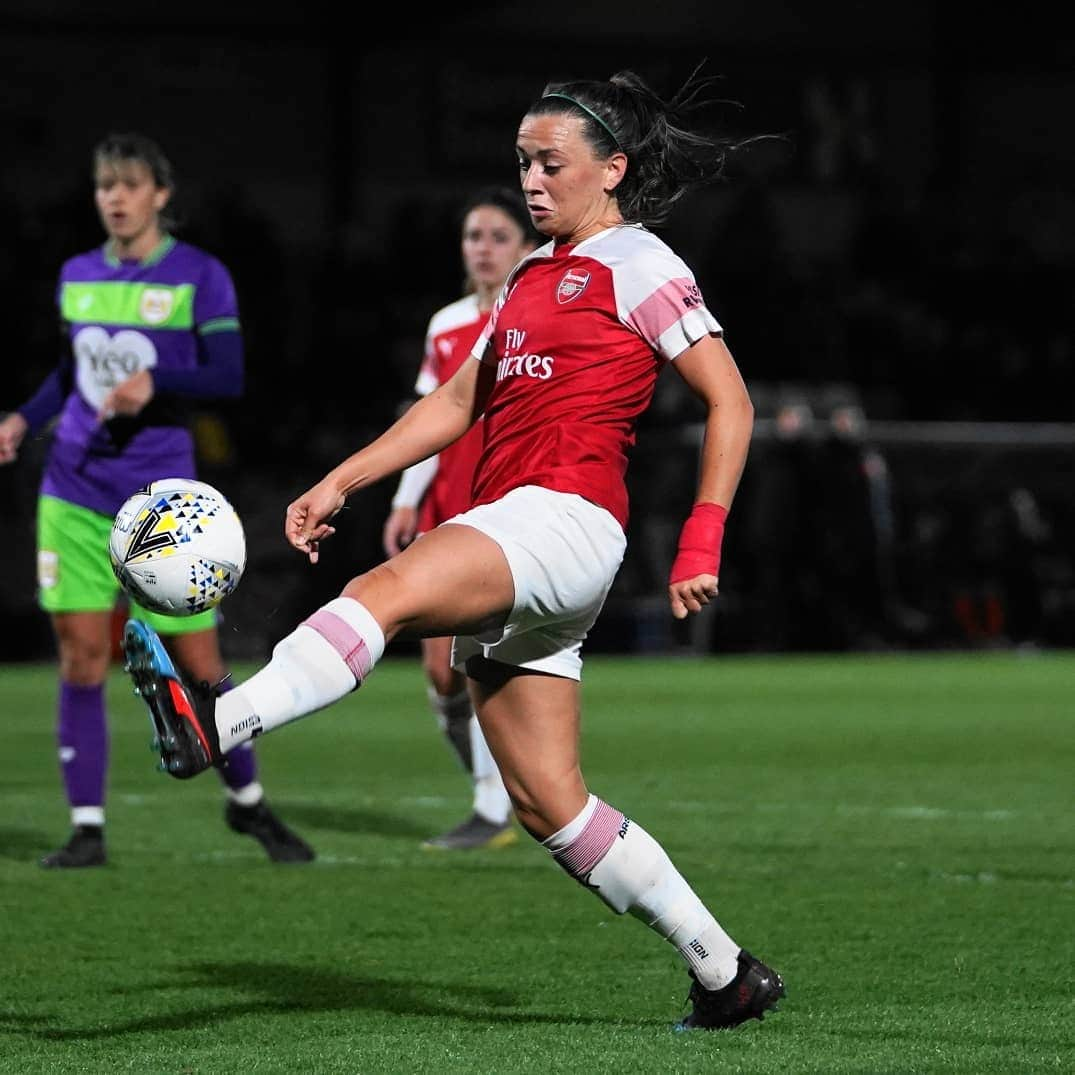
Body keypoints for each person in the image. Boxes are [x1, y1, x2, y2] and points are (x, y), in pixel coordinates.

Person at [122, 68, 786, 1030]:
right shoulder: (526, 276)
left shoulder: (638, 261)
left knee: (382, 591)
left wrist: (700, 533)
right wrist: (342, 479)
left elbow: (731, 399)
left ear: (613, 168)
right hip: (533, 536)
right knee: (549, 805)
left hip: (560, 519)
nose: (529, 179)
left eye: (549, 162)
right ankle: (725, 972)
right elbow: (457, 403)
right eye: (520, 160)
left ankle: (214, 725)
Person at [0, 131, 314, 868]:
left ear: (160, 194)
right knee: (82, 658)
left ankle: (248, 804)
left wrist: (159, 381)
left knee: (200, 662)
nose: (114, 197)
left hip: (160, 505)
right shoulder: (77, 273)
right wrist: (22, 417)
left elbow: (229, 374)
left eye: (130, 184)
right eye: (105, 185)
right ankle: (86, 829)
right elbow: (67, 371)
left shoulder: (201, 275)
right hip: (72, 488)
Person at [382, 186, 538, 850]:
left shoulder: (536, 319)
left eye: (498, 236)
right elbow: (428, 418)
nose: (483, 248)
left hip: (509, 508)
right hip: (447, 511)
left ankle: (495, 803)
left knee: (485, 663)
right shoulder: (446, 325)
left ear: (527, 248)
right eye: (474, 236)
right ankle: (496, 792)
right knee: (439, 674)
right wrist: (404, 498)